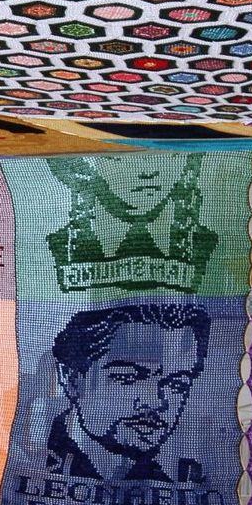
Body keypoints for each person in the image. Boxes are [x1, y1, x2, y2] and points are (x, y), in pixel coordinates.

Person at [43, 302, 212, 483]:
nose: (156, 403)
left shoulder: (174, 483)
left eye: (177, 385)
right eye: (129, 377)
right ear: (72, 379)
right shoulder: (32, 462)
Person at [45, 154, 216, 293]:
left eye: (171, 155)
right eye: (119, 157)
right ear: (85, 165)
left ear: (188, 161)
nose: (149, 172)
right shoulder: (61, 246)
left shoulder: (203, 243)